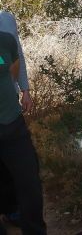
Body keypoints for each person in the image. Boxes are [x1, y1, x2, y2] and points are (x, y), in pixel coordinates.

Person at [0, 13, 45, 235]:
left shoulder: (5, 34)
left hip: (12, 123)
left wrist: (23, 90)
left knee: (30, 184)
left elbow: (15, 63)